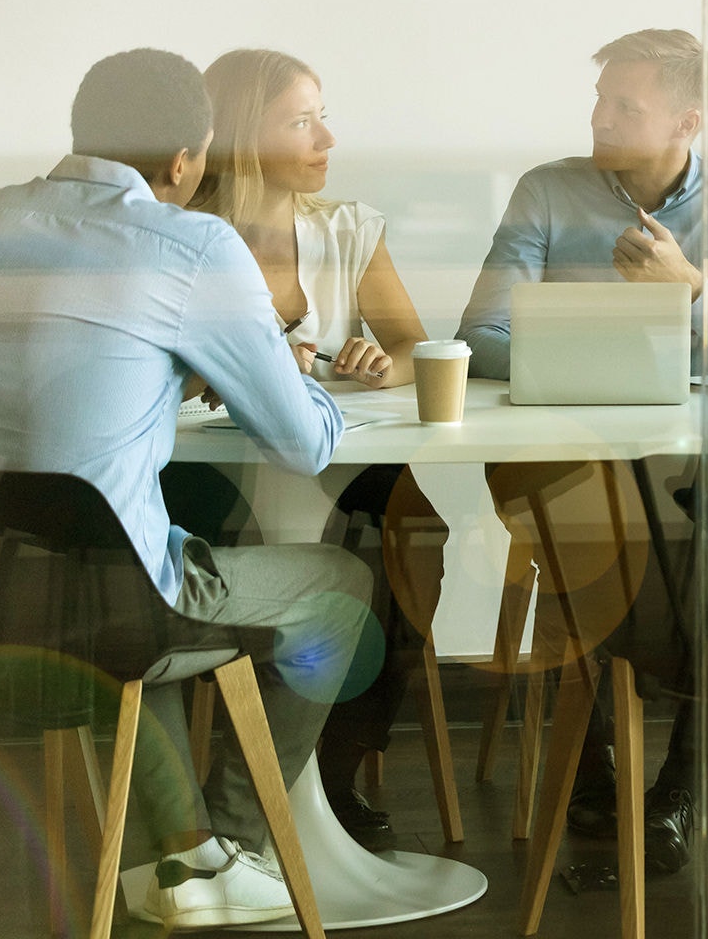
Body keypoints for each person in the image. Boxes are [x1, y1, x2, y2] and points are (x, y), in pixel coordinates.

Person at [0, 49, 372, 930]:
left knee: (129, 555)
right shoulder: (189, 242)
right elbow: (302, 447)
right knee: (340, 591)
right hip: (117, 608)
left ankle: (179, 855)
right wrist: (288, 373)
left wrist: (166, 377)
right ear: (185, 161)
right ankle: (234, 849)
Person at [457, 28, 708, 872]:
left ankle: (681, 777)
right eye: (600, 100)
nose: (600, 116)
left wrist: (686, 288)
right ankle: (594, 758)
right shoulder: (546, 191)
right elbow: (480, 334)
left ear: (687, 120)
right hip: (566, 452)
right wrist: (605, 343)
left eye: (624, 106)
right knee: (593, 512)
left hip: (685, 457)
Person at [189, 47, 446, 851]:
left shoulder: (346, 230)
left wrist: (376, 363)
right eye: (301, 121)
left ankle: (332, 768)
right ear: (237, 133)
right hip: (212, 476)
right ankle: (256, 789)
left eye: (322, 115)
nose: (326, 138)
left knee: (417, 539)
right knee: (318, 569)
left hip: (339, 456)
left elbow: (414, 346)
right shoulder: (184, 238)